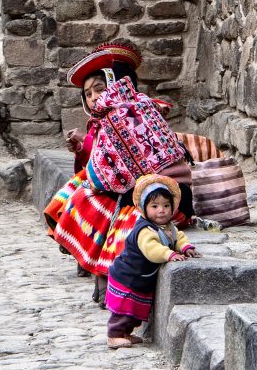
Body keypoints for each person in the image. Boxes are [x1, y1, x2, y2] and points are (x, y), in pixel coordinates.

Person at [43, 43, 193, 306]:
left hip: (166, 198)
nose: (92, 98)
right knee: (83, 193)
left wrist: (87, 147)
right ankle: (92, 264)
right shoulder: (117, 114)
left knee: (96, 204)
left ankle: (104, 274)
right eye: (87, 94)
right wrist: (83, 148)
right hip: (136, 187)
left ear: (116, 85)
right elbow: (108, 167)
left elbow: (107, 176)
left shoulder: (128, 113)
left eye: (99, 89)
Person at [105, 174, 201, 349]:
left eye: (166, 206)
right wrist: (168, 254)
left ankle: (126, 333)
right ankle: (114, 334)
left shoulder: (168, 226)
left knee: (134, 312)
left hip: (140, 278)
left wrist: (186, 247)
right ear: (144, 208)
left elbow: (177, 237)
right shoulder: (145, 230)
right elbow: (151, 249)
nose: (161, 210)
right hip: (128, 275)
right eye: (155, 206)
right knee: (124, 310)